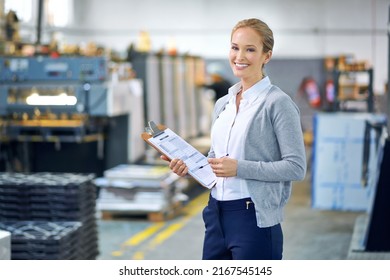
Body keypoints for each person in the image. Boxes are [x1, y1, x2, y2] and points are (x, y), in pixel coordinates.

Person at [161, 18, 306, 260]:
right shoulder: (223, 104)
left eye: (250, 49)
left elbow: (296, 167)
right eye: (235, 47)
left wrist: (239, 168)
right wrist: (189, 169)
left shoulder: (278, 104)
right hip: (216, 214)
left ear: (266, 56)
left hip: (253, 218)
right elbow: (215, 161)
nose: (240, 56)